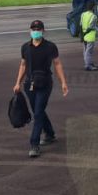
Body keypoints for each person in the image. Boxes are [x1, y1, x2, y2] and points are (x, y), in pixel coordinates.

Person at [12, 19, 69, 158]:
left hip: (45, 84)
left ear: (43, 31)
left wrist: (63, 83)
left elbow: (57, 64)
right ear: (30, 31)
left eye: (38, 29)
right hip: (29, 85)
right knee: (38, 111)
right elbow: (23, 65)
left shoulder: (50, 47)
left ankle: (34, 144)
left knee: (37, 113)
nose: (35, 31)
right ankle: (49, 134)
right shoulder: (25, 47)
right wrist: (17, 82)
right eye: (33, 29)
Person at [80, 0, 98, 71]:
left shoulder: (83, 14)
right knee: (89, 51)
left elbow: (80, 25)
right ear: (93, 7)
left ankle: (89, 63)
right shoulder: (94, 16)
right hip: (90, 36)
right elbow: (91, 27)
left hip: (84, 35)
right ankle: (88, 65)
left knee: (85, 50)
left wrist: (82, 35)